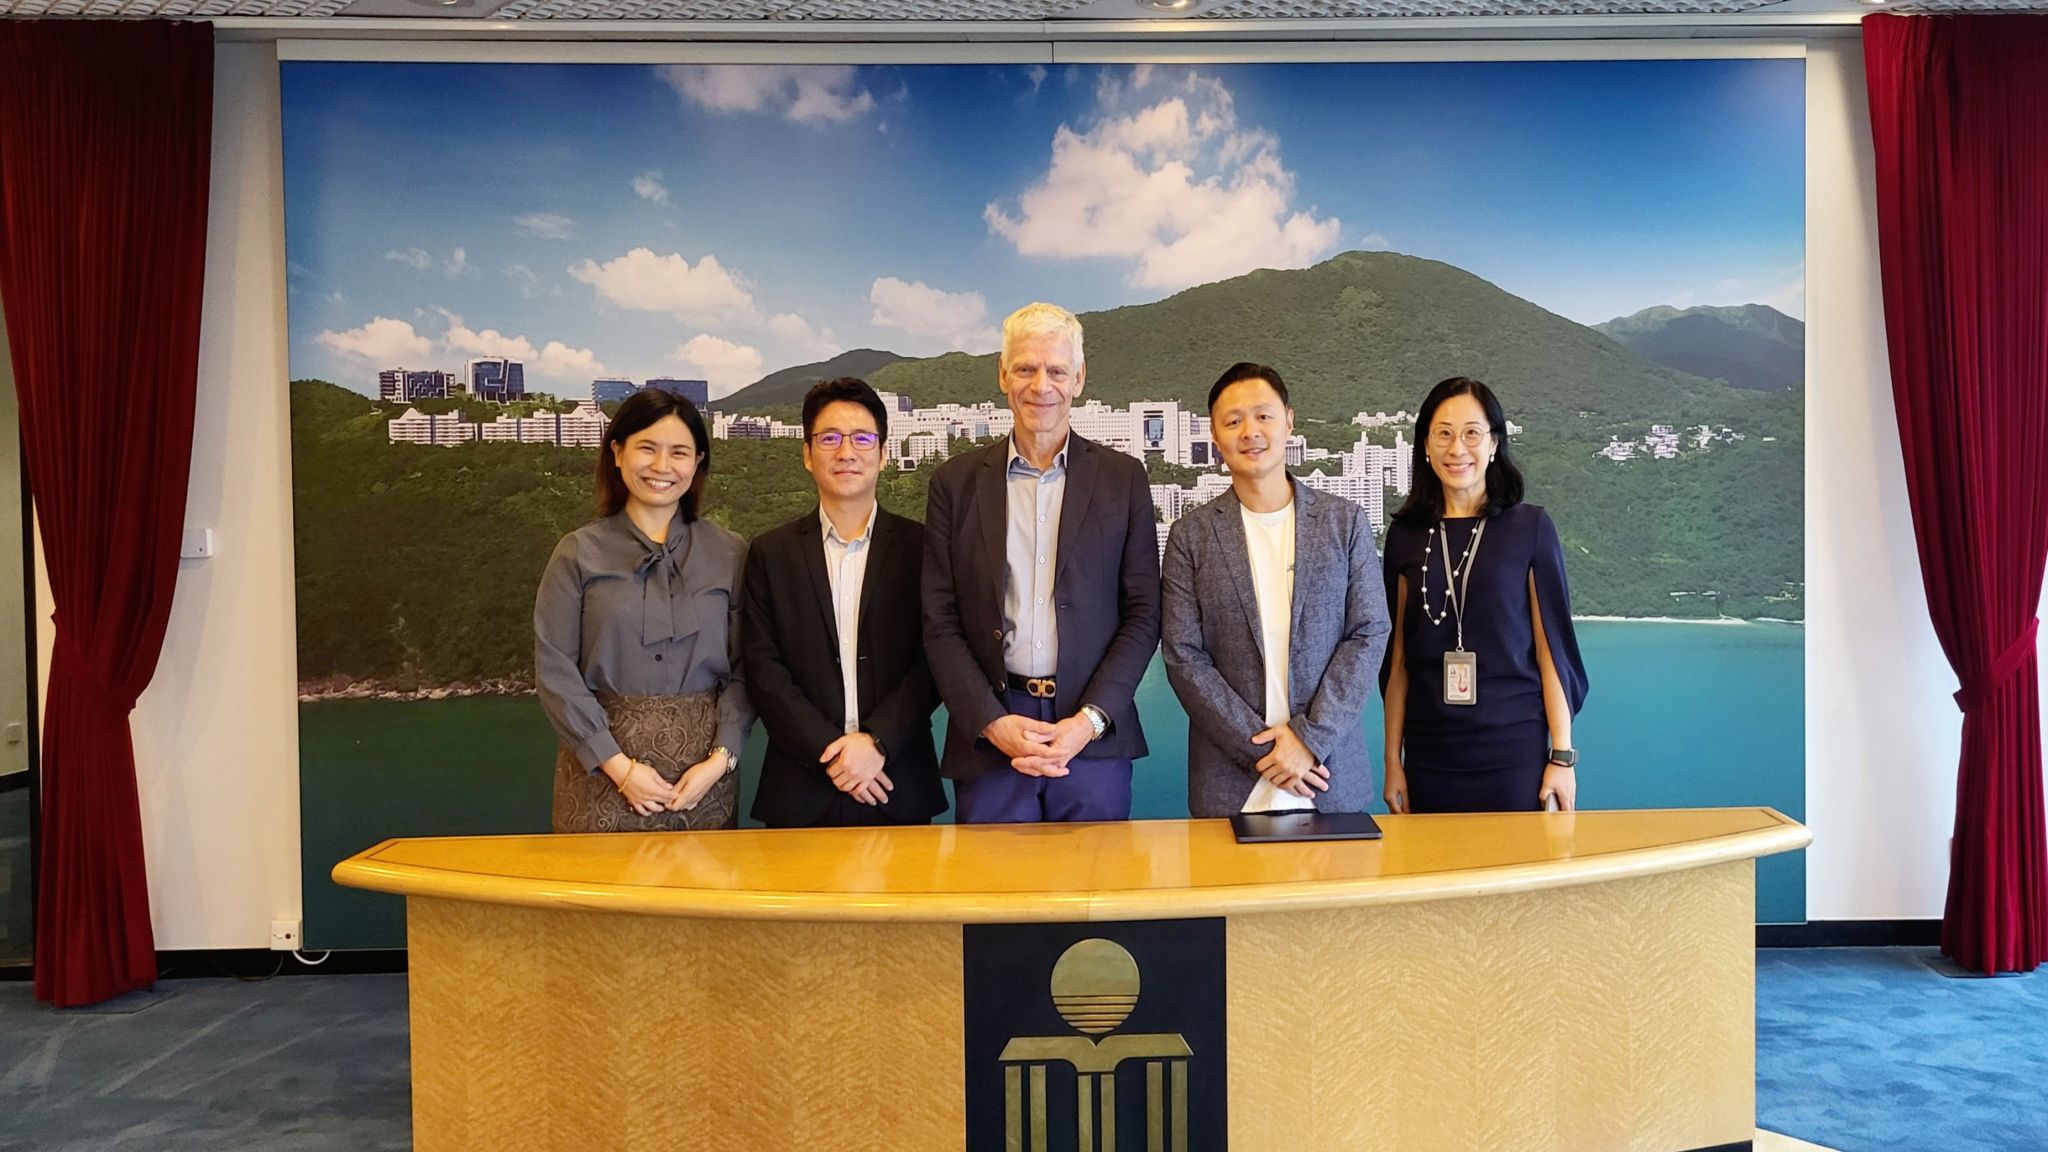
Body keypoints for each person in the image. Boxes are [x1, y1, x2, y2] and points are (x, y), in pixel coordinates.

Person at [922, 302, 1162, 823]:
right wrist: (989, 722)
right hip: (992, 732)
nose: (1041, 385)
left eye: (1056, 370)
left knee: (1091, 893)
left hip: (1091, 732)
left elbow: (1143, 612)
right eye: (1026, 368)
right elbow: (939, 621)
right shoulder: (955, 484)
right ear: (1003, 374)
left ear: (1079, 379)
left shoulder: (1123, 480)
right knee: (995, 896)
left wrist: (1090, 719)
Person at [1162, 363, 1391, 817]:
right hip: (1231, 784)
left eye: (1263, 416)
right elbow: (1183, 655)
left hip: (1328, 778)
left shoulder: (1343, 523)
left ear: (1289, 421)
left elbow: (1368, 633)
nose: (1250, 431)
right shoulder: (1191, 536)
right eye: (1233, 421)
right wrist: (1266, 752)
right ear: (1215, 434)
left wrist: (1308, 740)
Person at [534, 388, 753, 832]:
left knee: (702, 899)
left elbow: (748, 664)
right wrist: (618, 768)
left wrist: (721, 759)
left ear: (698, 462)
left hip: (703, 780)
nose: (662, 466)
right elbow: (554, 668)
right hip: (602, 777)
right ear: (617, 452)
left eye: (679, 452)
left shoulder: (730, 553)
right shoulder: (578, 553)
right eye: (647, 448)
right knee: (602, 899)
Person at [741, 378, 946, 828]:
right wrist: (831, 754)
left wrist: (876, 742)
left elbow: (936, 657)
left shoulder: (924, 548)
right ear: (807, 454)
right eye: (829, 438)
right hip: (800, 786)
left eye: (862, 438)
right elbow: (762, 666)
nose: (846, 451)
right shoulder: (770, 553)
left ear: (883, 453)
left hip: (897, 780)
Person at [1379, 377, 1588, 814]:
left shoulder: (1529, 528)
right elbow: (1397, 658)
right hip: (1429, 755)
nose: (1457, 449)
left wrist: (1562, 756)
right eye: (1444, 433)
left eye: (1472, 433)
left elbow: (1551, 651)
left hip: (1513, 754)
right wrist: (1391, 762)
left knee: (1516, 879)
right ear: (1425, 446)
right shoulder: (1405, 535)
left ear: (1494, 444)